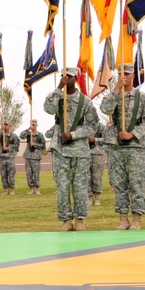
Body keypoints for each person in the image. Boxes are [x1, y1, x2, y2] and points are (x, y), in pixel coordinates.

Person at [100, 63, 145, 230]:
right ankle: (123, 219)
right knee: (119, 183)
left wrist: (134, 134)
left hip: (135, 147)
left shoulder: (143, 98)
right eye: (121, 73)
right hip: (116, 146)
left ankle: (137, 219)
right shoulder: (113, 95)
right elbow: (106, 109)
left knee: (136, 183)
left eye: (127, 73)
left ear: (133, 76)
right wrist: (116, 88)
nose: (124, 76)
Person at [44, 68, 99, 231]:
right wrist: (58, 88)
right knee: (62, 187)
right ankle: (66, 220)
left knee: (80, 187)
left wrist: (74, 135)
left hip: (79, 151)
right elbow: (47, 108)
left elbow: (93, 125)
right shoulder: (58, 97)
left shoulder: (85, 101)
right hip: (60, 150)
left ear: (76, 78)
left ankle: (80, 220)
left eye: (69, 77)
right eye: (63, 76)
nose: (66, 79)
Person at [20, 119, 46, 194]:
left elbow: (43, 145)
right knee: (28, 173)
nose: (32, 126)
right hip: (28, 155)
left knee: (36, 173)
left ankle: (37, 188)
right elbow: (21, 136)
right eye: (31, 124)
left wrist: (35, 144)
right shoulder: (28, 134)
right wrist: (28, 129)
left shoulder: (40, 135)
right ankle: (31, 188)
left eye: (34, 125)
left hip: (36, 156)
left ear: (37, 125)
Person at [0, 121, 20, 195]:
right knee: (3, 174)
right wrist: (1, 131)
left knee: (11, 174)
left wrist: (8, 148)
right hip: (2, 157)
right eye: (4, 125)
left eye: (6, 125)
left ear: (10, 126)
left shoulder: (13, 136)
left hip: (10, 157)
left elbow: (17, 146)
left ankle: (12, 189)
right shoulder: (1, 135)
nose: (5, 126)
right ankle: (6, 189)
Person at [88, 120, 106, 206]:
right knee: (86, 177)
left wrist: (94, 139)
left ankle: (97, 197)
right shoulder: (81, 126)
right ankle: (89, 197)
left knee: (97, 176)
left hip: (97, 154)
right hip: (84, 154)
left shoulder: (101, 127)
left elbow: (106, 139)